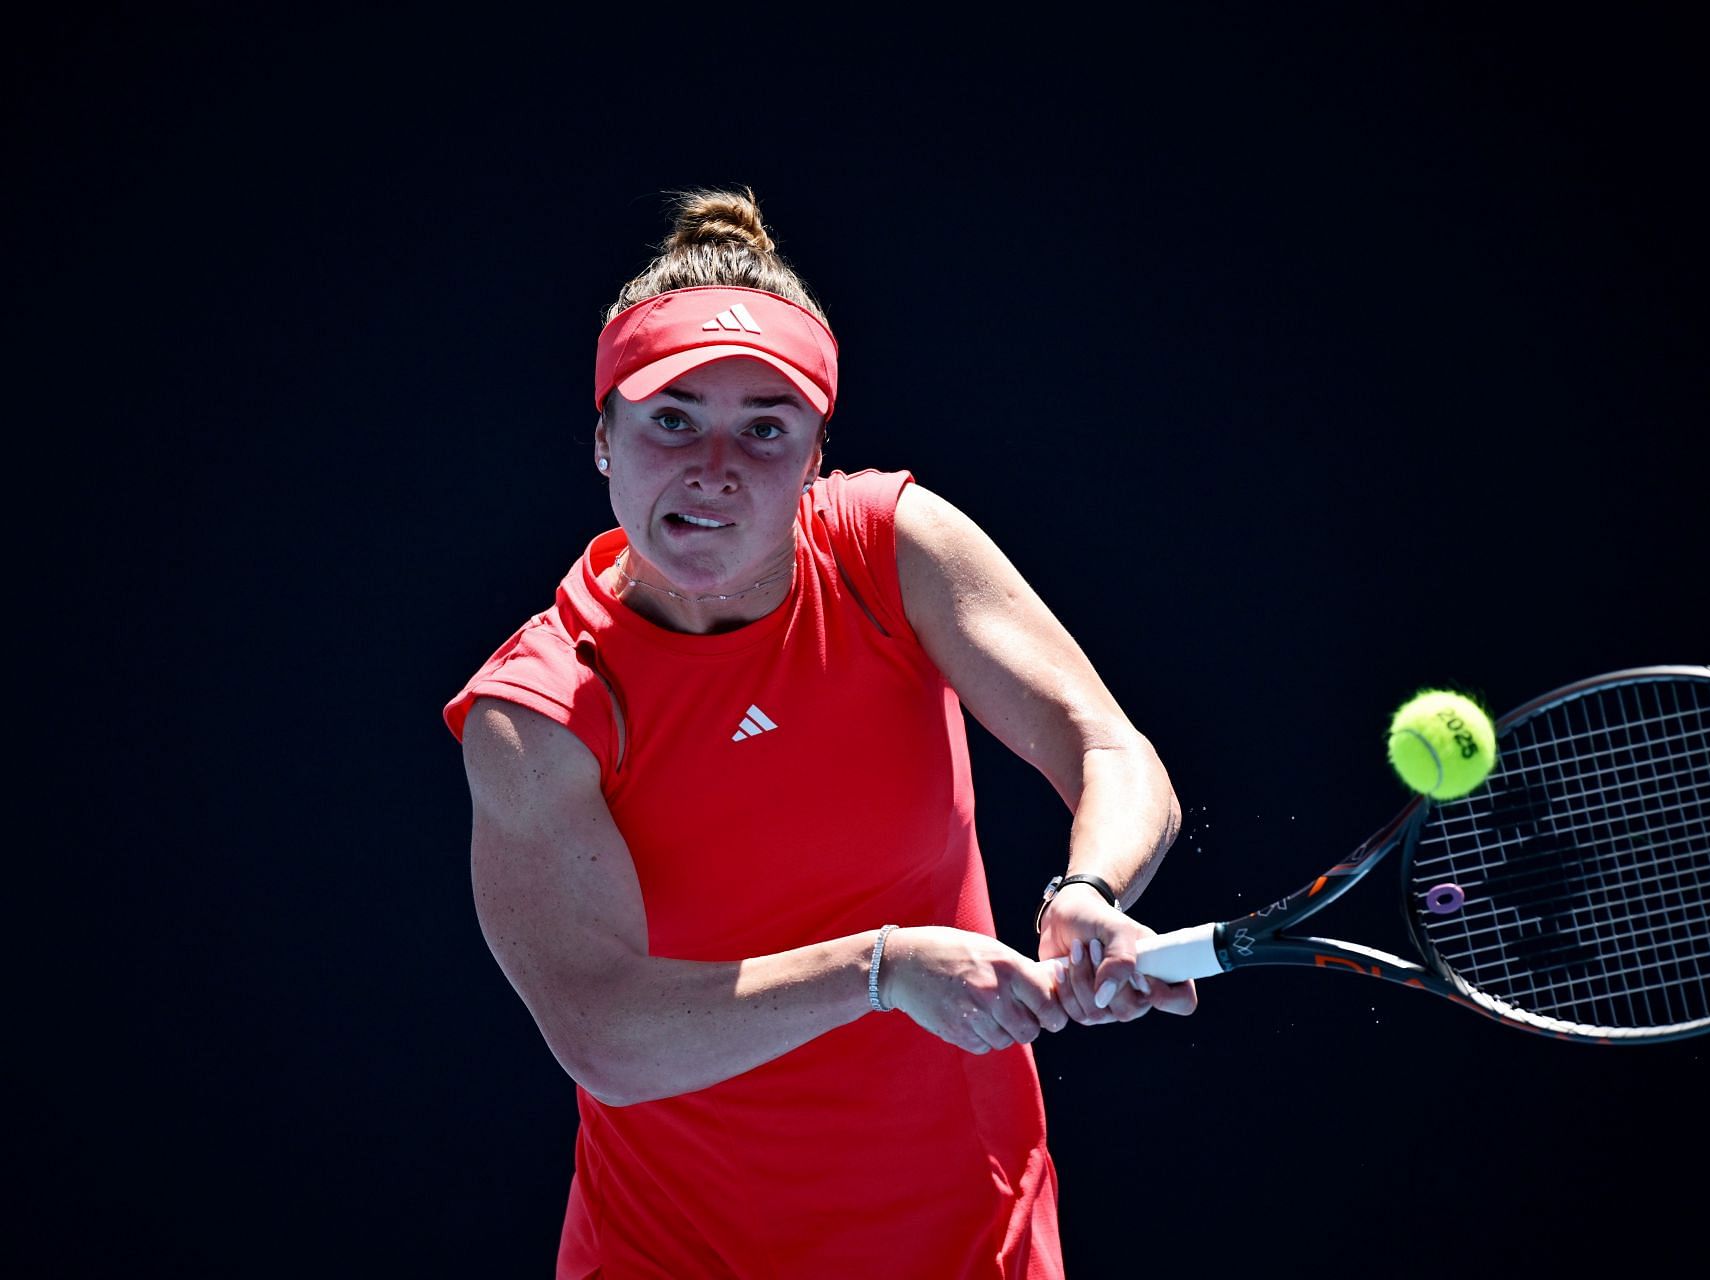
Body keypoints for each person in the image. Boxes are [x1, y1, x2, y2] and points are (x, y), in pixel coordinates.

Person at [443, 187, 1196, 1279]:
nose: (716, 466)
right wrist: (882, 968)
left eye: (764, 427)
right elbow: (605, 1034)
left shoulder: (889, 550)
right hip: (676, 1254)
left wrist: (1087, 892)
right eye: (672, 417)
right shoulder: (544, 707)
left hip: (973, 1234)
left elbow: (1111, 753)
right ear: (602, 438)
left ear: (813, 456)